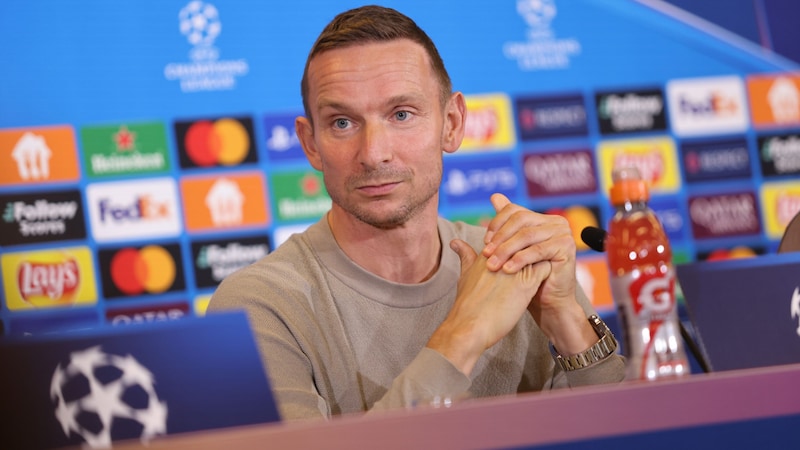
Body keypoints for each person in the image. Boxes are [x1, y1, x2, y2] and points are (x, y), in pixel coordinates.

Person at [209, 4, 625, 421]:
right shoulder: (257, 306)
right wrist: (464, 333)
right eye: (341, 123)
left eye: (401, 114)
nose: (374, 153)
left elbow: (622, 430)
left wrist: (567, 322)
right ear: (310, 142)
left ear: (451, 124)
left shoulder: (516, 261)